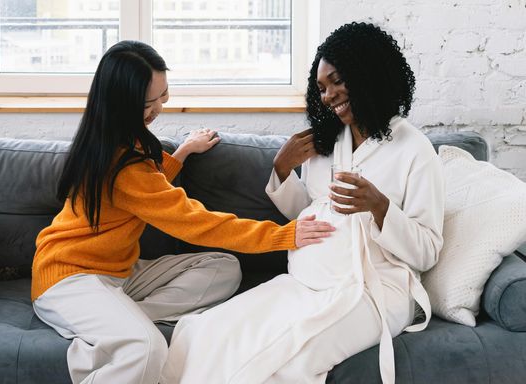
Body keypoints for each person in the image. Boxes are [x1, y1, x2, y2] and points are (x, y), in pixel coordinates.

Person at [31, 40, 335, 384]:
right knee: (146, 349)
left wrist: (184, 152)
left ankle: (124, 321)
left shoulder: (116, 139)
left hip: (120, 272)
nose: (160, 106)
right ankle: (124, 329)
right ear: (123, 103)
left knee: (223, 267)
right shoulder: (123, 164)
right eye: (151, 102)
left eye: (164, 95)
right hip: (69, 278)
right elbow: (193, 221)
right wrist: (284, 235)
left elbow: (146, 190)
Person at [161, 22, 445, 384]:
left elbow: (427, 252)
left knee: (286, 361)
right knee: (207, 333)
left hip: (375, 291)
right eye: (322, 88)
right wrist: (281, 169)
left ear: (368, 74)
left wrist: (379, 206)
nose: (328, 96)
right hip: (306, 283)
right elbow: (309, 216)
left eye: (337, 82)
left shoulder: (413, 149)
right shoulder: (326, 144)